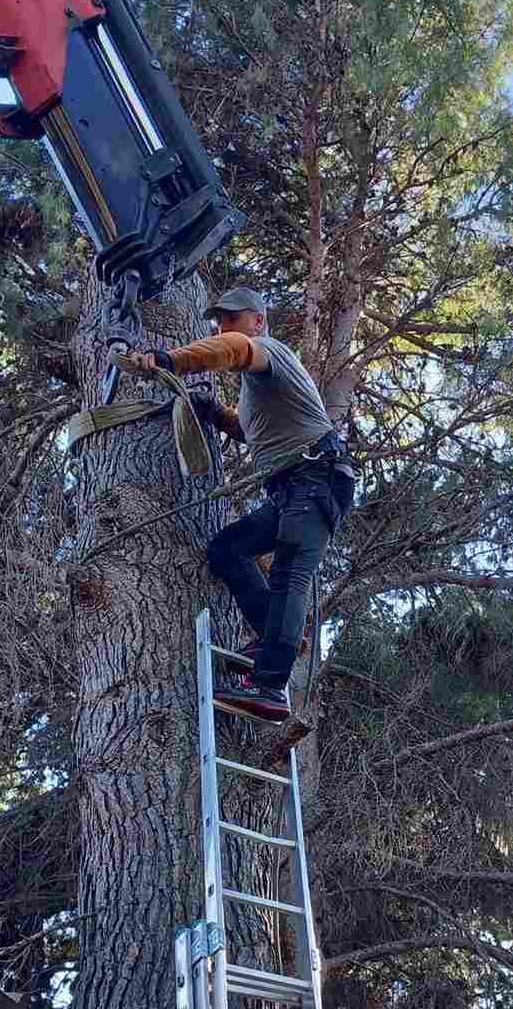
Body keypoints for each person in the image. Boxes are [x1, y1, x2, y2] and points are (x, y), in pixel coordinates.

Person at [127, 287, 356, 722]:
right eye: (220, 322)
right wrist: (214, 412)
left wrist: (170, 359)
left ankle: (270, 688)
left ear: (258, 321)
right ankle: (275, 637)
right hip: (290, 489)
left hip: (316, 480)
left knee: (289, 573)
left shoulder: (270, 350)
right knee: (227, 549)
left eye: (232, 319)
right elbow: (248, 431)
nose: (224, 328)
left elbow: (235, 348)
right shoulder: (257, 393)